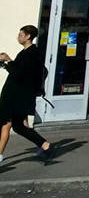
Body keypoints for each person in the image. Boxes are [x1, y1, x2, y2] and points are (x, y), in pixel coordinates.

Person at [0, 25, 52, 163]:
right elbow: (17, 71)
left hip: (17, 97)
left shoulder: (31, 53)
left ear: (28, 36)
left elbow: (20, 74)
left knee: (6, 124)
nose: (18, 37)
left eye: (21, 34)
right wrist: (6, 64)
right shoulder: (25, 53)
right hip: (15, 95)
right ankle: (45, 145)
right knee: (19, 127)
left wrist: (9, 60)